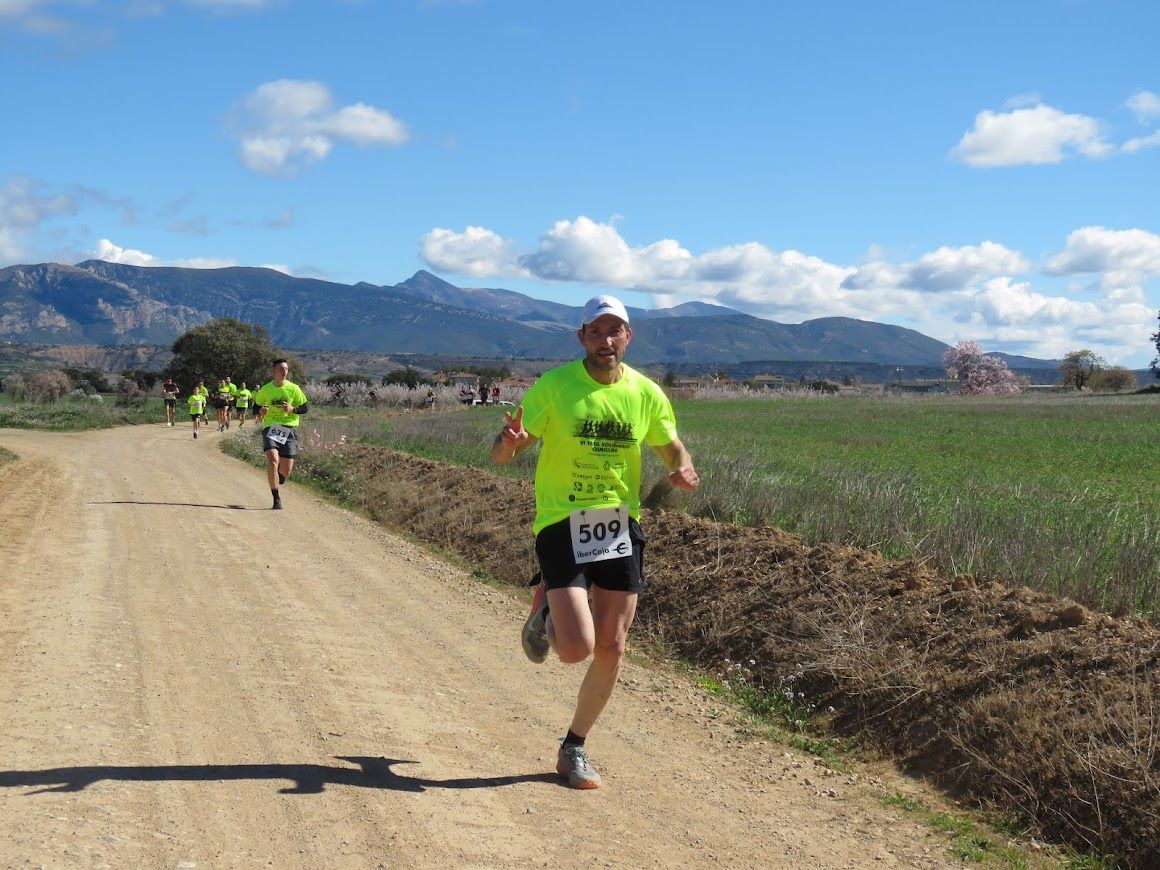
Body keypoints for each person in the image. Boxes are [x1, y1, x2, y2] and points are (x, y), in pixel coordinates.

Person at [491, 294, 699, 789]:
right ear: (581, 336)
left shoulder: (646, 393)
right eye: (597, 332)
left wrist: (683, 468)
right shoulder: (555, 386)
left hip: (619, 523)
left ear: (628, 337)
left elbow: (671, 447)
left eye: (616, 331)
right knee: (574, 649)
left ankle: (574, 747)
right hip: (562, 519)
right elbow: (501, 453)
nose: (607, 341)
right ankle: (545, 609)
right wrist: (511, 443)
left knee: (612, 646)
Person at [252, 359, 309, 510]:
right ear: (273, 371)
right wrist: (260, 411)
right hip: (271, 427)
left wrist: (293, 409)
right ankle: (276, 498)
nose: (284, 371)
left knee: (286, 470)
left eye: (286, 369)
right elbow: (256, 406)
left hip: (289, 429)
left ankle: (279, 475)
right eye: (281, 369)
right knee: (272, 460)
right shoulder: (266, 389)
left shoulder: (294, 388)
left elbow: (305, 407)